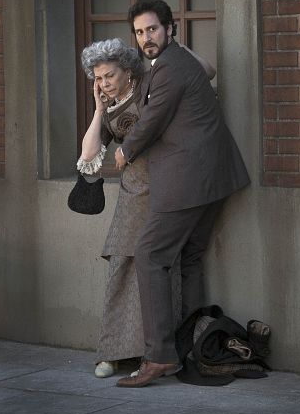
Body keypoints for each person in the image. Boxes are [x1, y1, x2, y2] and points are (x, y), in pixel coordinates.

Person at [114, 0, 250, 388]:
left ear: (170, 28)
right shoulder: (172, 62)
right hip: (213, 178)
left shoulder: (171, 66)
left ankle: (158, 356)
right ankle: (193, 343)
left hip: (189, 180)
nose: (145, 38)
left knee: (150, 254)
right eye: (139, 32)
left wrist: (125, 150)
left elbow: (152, 121)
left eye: (152, 29)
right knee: (189, 256)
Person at [77, 38, 216, 379]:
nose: (104, 83)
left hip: (170, 185)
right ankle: (113, 353)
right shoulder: (108, 107)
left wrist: (175, 45)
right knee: (123, 266)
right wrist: (97, 110)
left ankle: (157, 351)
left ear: (127, 71)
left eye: (109, 75)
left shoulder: (150, 85)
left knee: (161, 267)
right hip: (133, 193)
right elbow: (89, 157)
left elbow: (207, 72)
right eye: (98, 78)